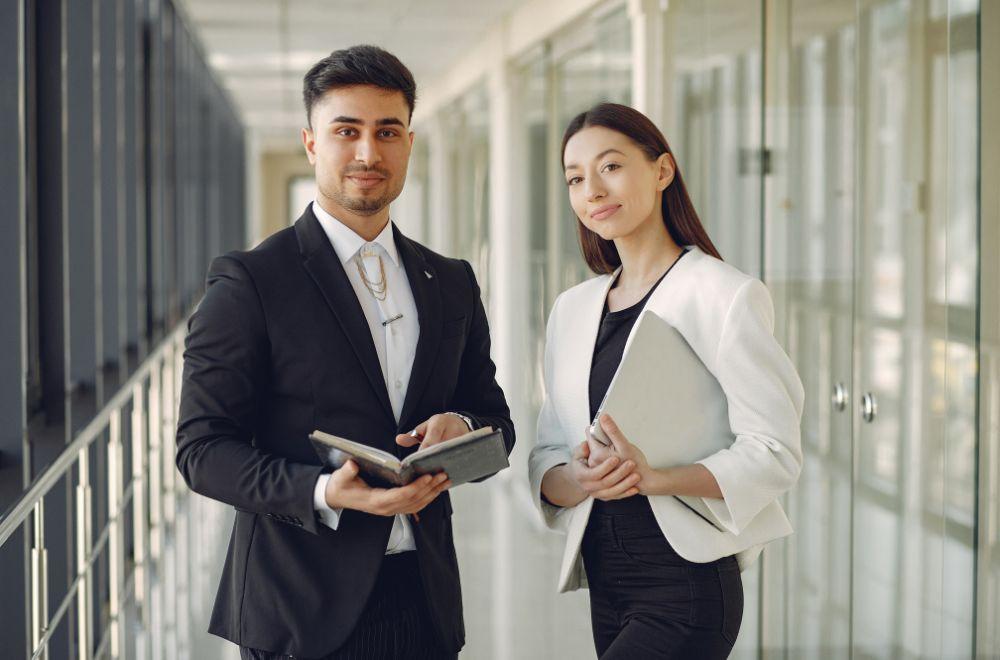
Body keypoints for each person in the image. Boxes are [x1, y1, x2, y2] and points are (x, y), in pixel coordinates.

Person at [176, 45, 514, 660]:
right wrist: (325, 491)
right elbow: (202, 451)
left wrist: (461, 427)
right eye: (346, 131)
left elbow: (496, 423)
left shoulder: (452, 281)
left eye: (387, 132)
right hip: (298, 609)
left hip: (424, 603)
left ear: (409, 143)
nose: (368, 152)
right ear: (311, 143)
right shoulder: (251, 280)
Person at [528, 103, 804, 659]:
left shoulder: (723, 295)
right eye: (575, 179)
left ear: (661, 171)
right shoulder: (572, 309)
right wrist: (580, 477)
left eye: (610, 167)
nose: (592, 191)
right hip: (605, 582)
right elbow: (545, 459)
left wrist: (656, 477)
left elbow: (776, 452)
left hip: (685, 584)